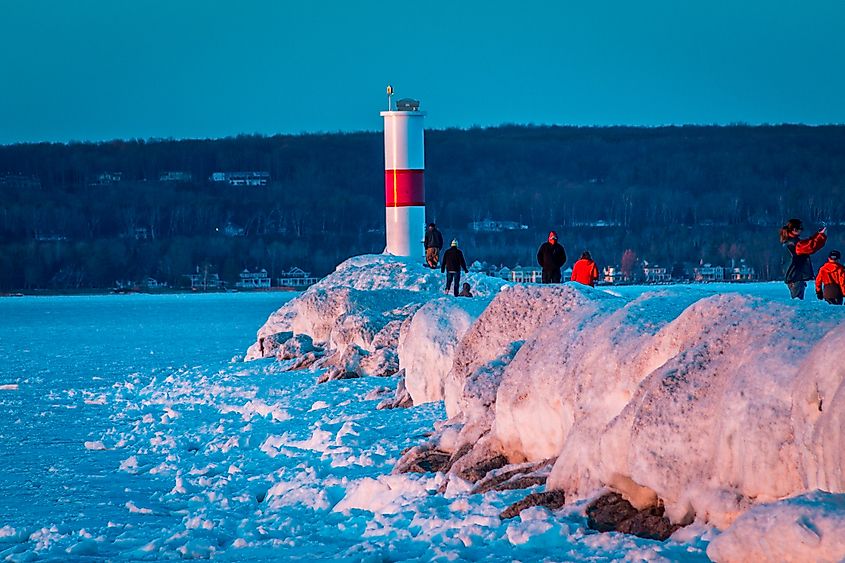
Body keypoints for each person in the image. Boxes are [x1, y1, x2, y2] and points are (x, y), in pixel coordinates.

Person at [780, 218, 827, 300]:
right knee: (797, 301)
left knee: (797, 299)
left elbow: (808, 243)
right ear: (794, 229)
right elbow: (811, 247)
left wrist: (818, 234)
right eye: (800, 228)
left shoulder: (789, 242)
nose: (802, 230)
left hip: (793, 276)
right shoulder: (795, 244)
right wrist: (822, 236)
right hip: (796, 277)